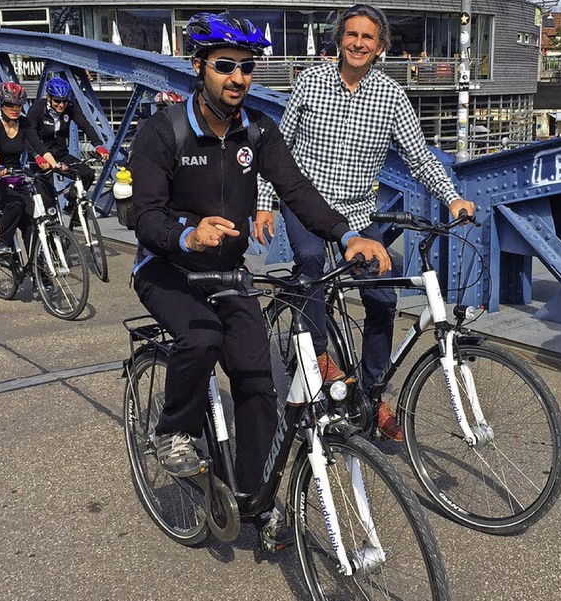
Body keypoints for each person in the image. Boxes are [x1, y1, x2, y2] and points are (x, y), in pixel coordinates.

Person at [129, 12, 389, 546]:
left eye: (247, 69)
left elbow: (296, 189)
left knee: (257, 385)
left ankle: (254, 498)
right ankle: (172, 430)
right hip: (166, 268)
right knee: (200, 336)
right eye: (225, 67)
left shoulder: (258, 131)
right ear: (198, 67)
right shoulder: (163, 132)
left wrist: (346, 236)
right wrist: (187, 234)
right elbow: (141, 215)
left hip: (228, 273)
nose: (237, 78)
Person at [255, 3, 475, 441]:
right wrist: (265, 202)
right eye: (351, 35)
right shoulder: (310, 83)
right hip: (308, 206)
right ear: (339, 39)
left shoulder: (392, 95)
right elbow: (278, 150)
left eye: (368, 38)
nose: (358, 43)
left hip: (357, 213)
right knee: (312, 260)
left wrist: (452, 198)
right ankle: (316, 357)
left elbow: (418, 157)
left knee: (382, 295)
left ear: (379, 48)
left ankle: (374, 395)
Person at [0, 82, 60, 256]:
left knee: (32, 222)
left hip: (16, 179)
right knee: (15, 203)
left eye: (18, 105)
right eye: (10, 104)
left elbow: (39, 146)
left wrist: (56, 165)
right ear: (1, 104)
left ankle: (39, 273)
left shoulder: (24, 123)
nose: (15, 108)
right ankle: (0, 244)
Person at [26, 76, 109, 212]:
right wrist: (36, 156)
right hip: (41, 158)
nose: (61, 105)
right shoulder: (36, 110)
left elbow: (85, 125)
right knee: (49, 202)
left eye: (64, 101)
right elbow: (29, 137)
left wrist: (98, 145)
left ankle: (71, 206)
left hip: (61, 155)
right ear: (49, 98)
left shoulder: (70, 108)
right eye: (57, 101)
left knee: (87, 174)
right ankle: (50, 229)